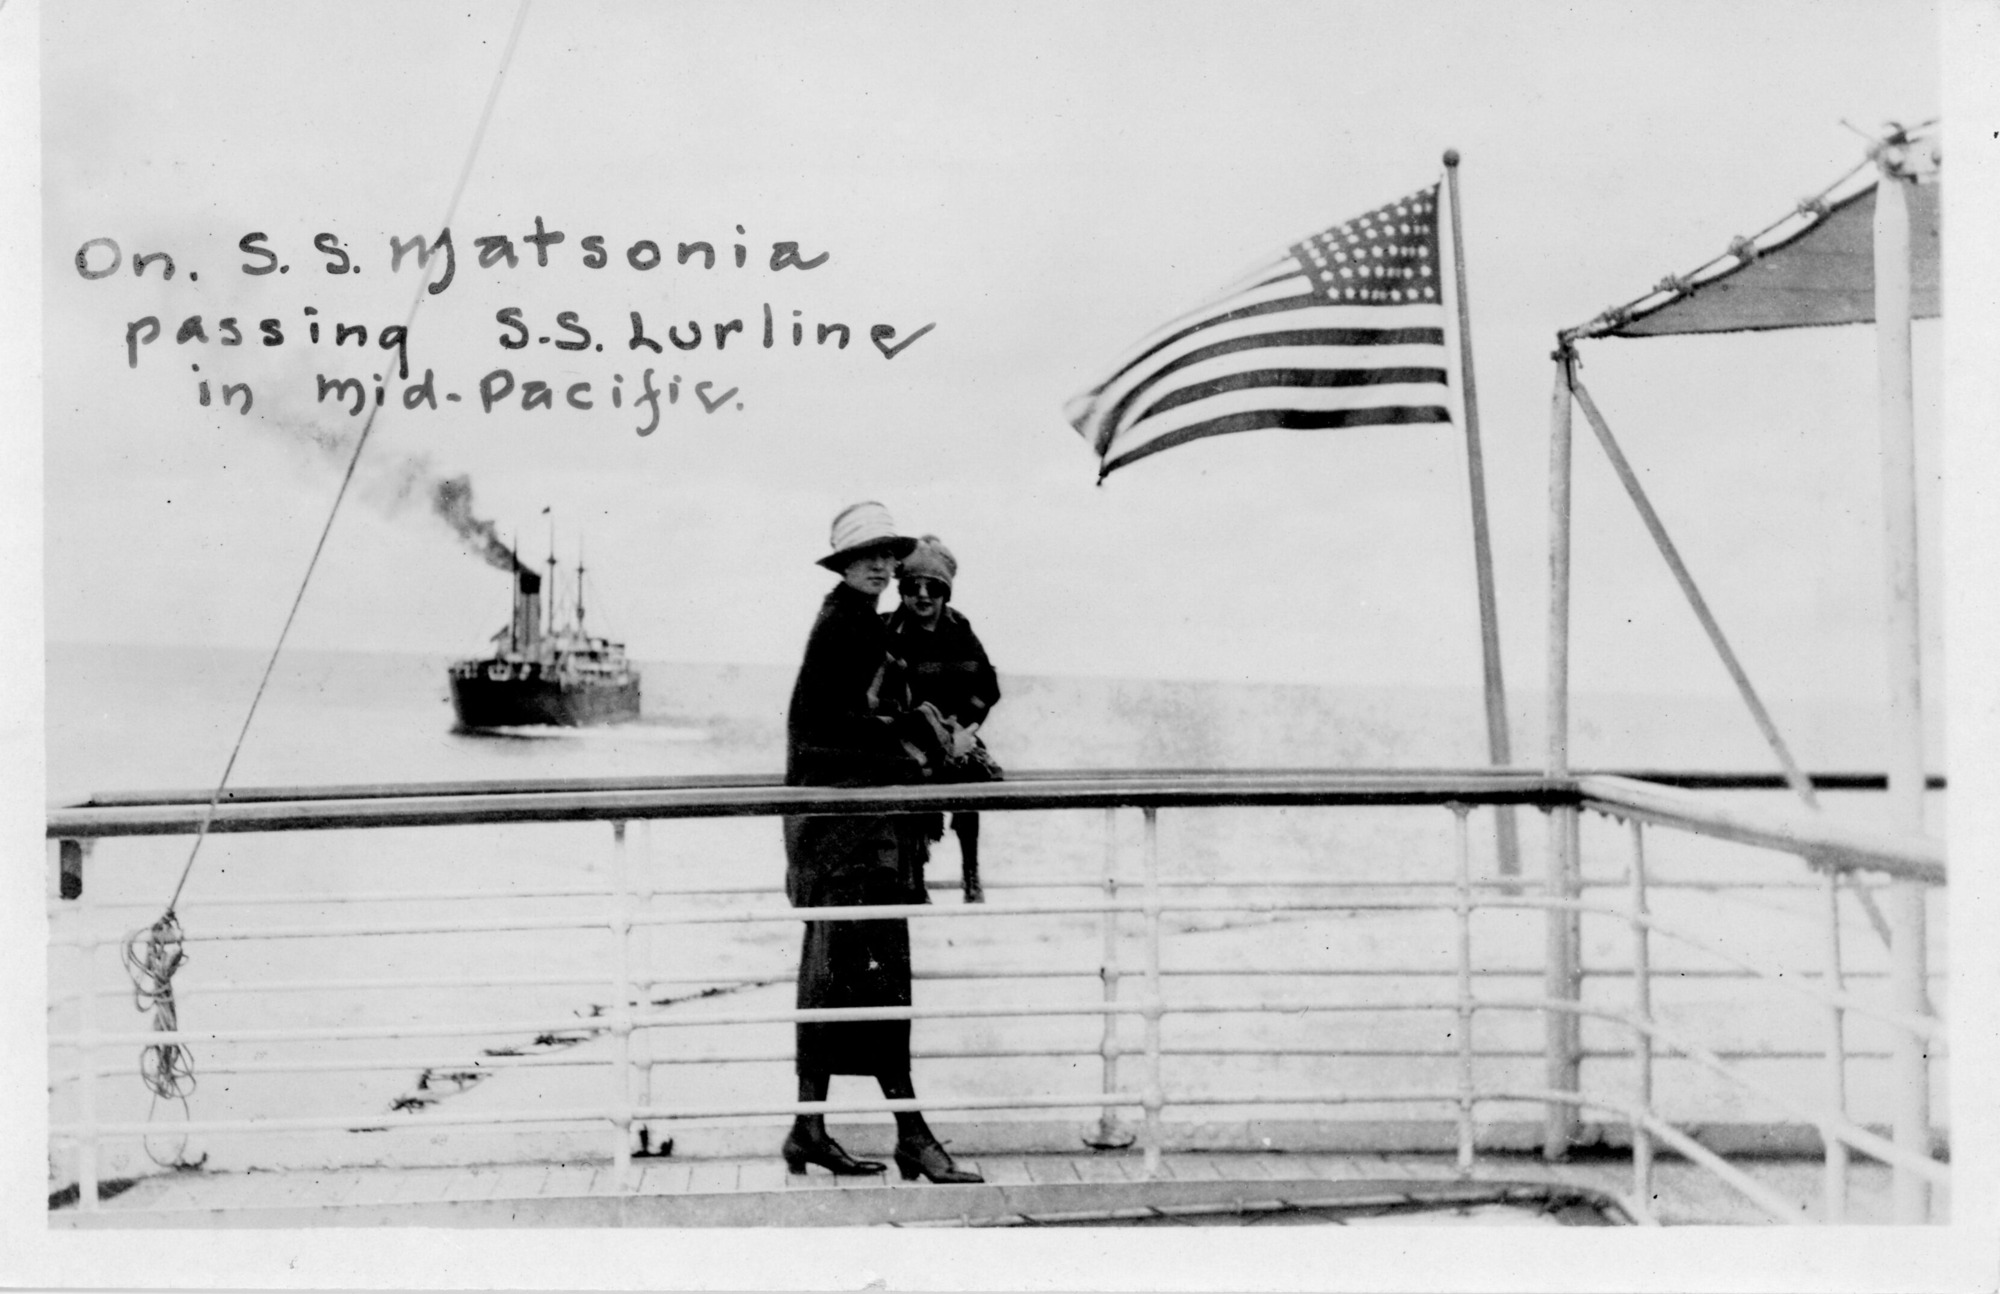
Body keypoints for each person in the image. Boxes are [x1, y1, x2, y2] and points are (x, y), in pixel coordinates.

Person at [778, 501, 983, 1185]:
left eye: (886, 554)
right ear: (842, 564)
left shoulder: (855, 621)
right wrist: (920, 742)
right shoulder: (845, 626)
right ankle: (908, 1136)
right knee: (873, 981)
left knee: (840, 979)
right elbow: (827, 732)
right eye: (863, 556)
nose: (879, 565)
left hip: (854, 835)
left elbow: (856, 721)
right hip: (848, 837)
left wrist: (920, 727)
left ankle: (813, 1129)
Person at [885, 535, 1002, 903]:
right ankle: (914, 878)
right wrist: (929, 736)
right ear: (901, 591)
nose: (923, 595)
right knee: (910, 784)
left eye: (933, 587)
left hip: (959, 733)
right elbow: (886, 699)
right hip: (911, 740)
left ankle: (971, 872)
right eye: (912, 587)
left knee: (972, 778)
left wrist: (963, 728)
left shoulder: (961, 630)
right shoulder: (889, 632)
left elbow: (987, 688)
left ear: (945, 593)